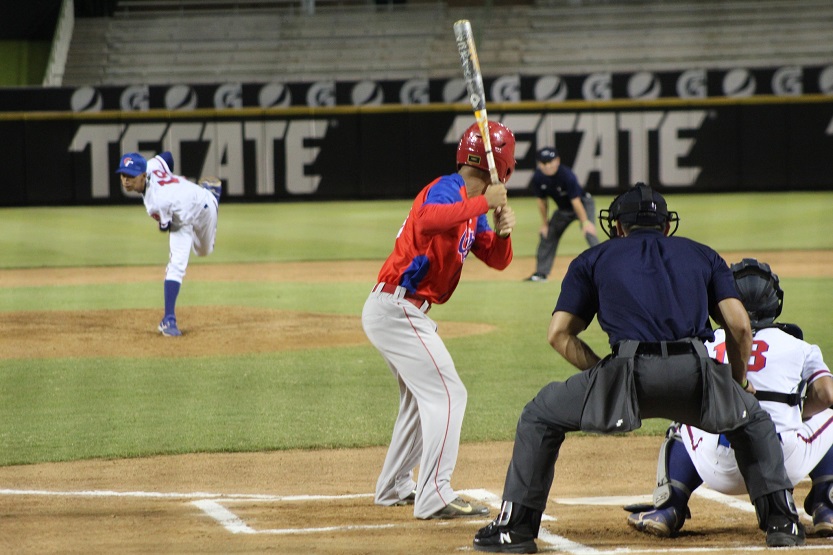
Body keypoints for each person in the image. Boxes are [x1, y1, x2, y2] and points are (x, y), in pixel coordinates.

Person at [473, 183, 805, 553]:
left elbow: (559, 335)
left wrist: (605, 376)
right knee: (753, 420)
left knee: (539, 415)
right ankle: (782, 522)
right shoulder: (703, 255)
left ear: (618, 227)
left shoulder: (594, 258)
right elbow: (740, 327)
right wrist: (738, 383)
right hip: (695, 376)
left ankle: (514, 529)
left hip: (627, 375)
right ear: (666, 226)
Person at [362, 121, 517, 519]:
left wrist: (502, 230)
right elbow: (429, 220)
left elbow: (498, 260)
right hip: (398, 306)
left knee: (420, 400)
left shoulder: (470, 206)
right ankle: (435, 492)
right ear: (503, 165)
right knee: (449, 394)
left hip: (400, 310)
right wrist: (485, 204)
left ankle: (395, 486)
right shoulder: (448, 188)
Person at [627, 258, 833, 538]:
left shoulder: (708, 343)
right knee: (828, 416)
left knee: (682, 420)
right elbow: (826, 394)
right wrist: (799, 412)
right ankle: (826, 506)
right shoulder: (802, 347)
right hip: (782, 466)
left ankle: (669, 507)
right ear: (775, 303)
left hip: (717, 466)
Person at [116, 151, 221, 336]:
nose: (126, 180)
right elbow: (167, 156)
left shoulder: (156, 202)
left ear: (142, 175)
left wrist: (172, 190)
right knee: (176, 265)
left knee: (203, 251)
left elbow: (165, 226)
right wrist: (171, 180)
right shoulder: (150, 166)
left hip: (202, 208)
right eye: (123, 175)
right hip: (180, 216)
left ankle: (211, 193)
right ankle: (169, 319)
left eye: (131, 176)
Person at [524, 147, 599, 282]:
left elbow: (576, 202)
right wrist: (545, 224)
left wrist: (586, 222)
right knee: (548, 235)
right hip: (564, 209)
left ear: (557, 161)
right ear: (539, 164)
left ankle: (604, 266)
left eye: (550, 162)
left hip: (583, 204)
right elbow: (542, 202)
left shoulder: (566, 175)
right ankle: (541, 273)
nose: (547, 166)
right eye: (543, 163)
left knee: (589, 232)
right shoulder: (538, 177)